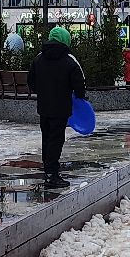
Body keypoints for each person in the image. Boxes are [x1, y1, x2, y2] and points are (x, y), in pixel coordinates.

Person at [27, 27, 87, 188]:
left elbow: (31, 81)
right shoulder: (69, 60)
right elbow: (79, 84)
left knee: (46, 137)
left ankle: (48, 169)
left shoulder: (39, 58)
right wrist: (80, 97)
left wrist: (42, 92)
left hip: (44, 106)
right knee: (56, 139)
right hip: (61, 107)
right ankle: (52, 173)